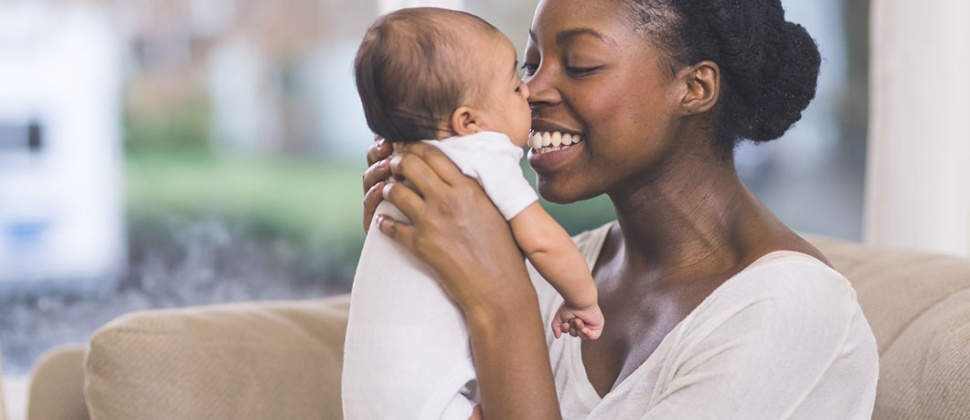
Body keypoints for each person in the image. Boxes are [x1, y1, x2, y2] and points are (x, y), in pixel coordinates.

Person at [360, 0, 880, 419]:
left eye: (580, 65)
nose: (531, 91)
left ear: (695, 88)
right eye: (530, 65)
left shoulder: (789, 309)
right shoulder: (552, 269)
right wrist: (410, 258)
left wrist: (501, 304)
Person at [342, 7, 605, 420]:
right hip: (433, 397)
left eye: (580, 65)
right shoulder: (481, 153)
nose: (529, 91)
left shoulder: (409, 164)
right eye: (517, 83)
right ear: (468, 121)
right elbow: (543, 241)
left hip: (370, 398)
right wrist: (583, 300)